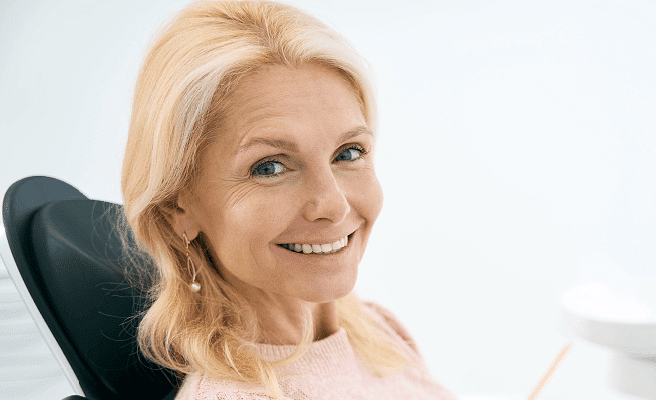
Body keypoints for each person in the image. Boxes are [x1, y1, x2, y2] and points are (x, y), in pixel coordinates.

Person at [120, 1, 458, 399]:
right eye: (269, 167)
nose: (333, 205)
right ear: (178, 206)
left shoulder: (376, 331)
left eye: (349, 153)